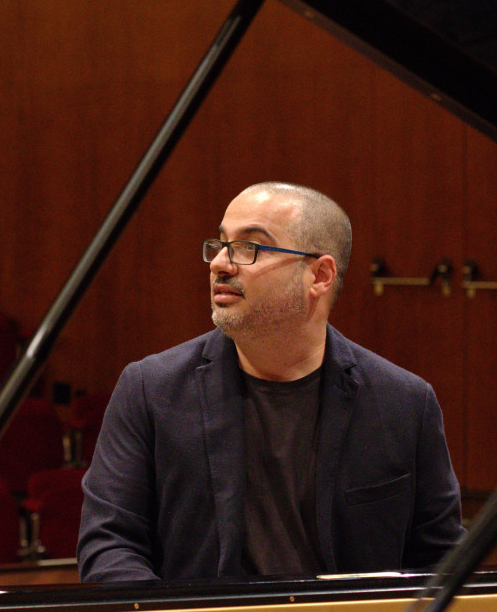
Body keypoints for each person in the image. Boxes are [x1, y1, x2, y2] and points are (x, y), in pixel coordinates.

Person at [78, 182, 465, 583]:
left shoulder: (403, 402)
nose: (220, 264)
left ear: (319, 275)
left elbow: (441, 557)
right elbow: (110, 545)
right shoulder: (150, 390)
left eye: (250, 248)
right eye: (221, 243)